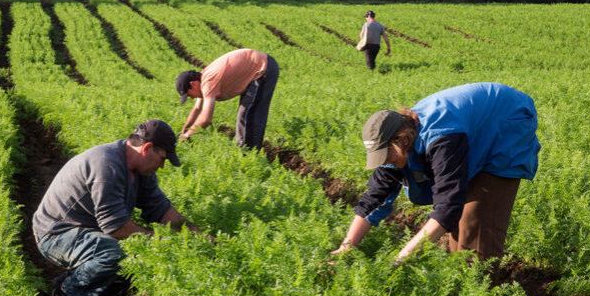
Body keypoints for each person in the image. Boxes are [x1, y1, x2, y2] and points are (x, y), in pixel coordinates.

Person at [331, 82, 540, 263]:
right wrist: (346, 247)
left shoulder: (441, 139)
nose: (384, 164)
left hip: (506, 122)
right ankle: (461, 282)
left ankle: (478, 293)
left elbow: (447, 207)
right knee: (459, 225)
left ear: (401, 140)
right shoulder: (399, 144)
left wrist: (402, 258)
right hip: (473, 128)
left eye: (386, 157)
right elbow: (374, 199)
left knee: (476, 223)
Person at [33, 119, 205, 296]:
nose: (161, 166)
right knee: (113, 252)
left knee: (124, 255)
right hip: (55, 234)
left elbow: (161, 208)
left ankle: (76, 280)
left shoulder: (140, 171)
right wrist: (158, 240)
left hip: (84, 229)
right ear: (147, 148)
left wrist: (197, 234)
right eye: (162, 159)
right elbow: (115, 226)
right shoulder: (107, 165)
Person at [176, 48, 279, 150]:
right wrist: (184, 129)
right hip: (258, 67)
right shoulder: (203, 78)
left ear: (193, 84)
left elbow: (206, 119)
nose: (192, 98)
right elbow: (197, 109)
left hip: (264, 69)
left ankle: (248, 154)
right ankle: (247, 152)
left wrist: (188, 135)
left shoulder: (208, 82)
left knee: (248, 115)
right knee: (245, 113)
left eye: (189, 95)